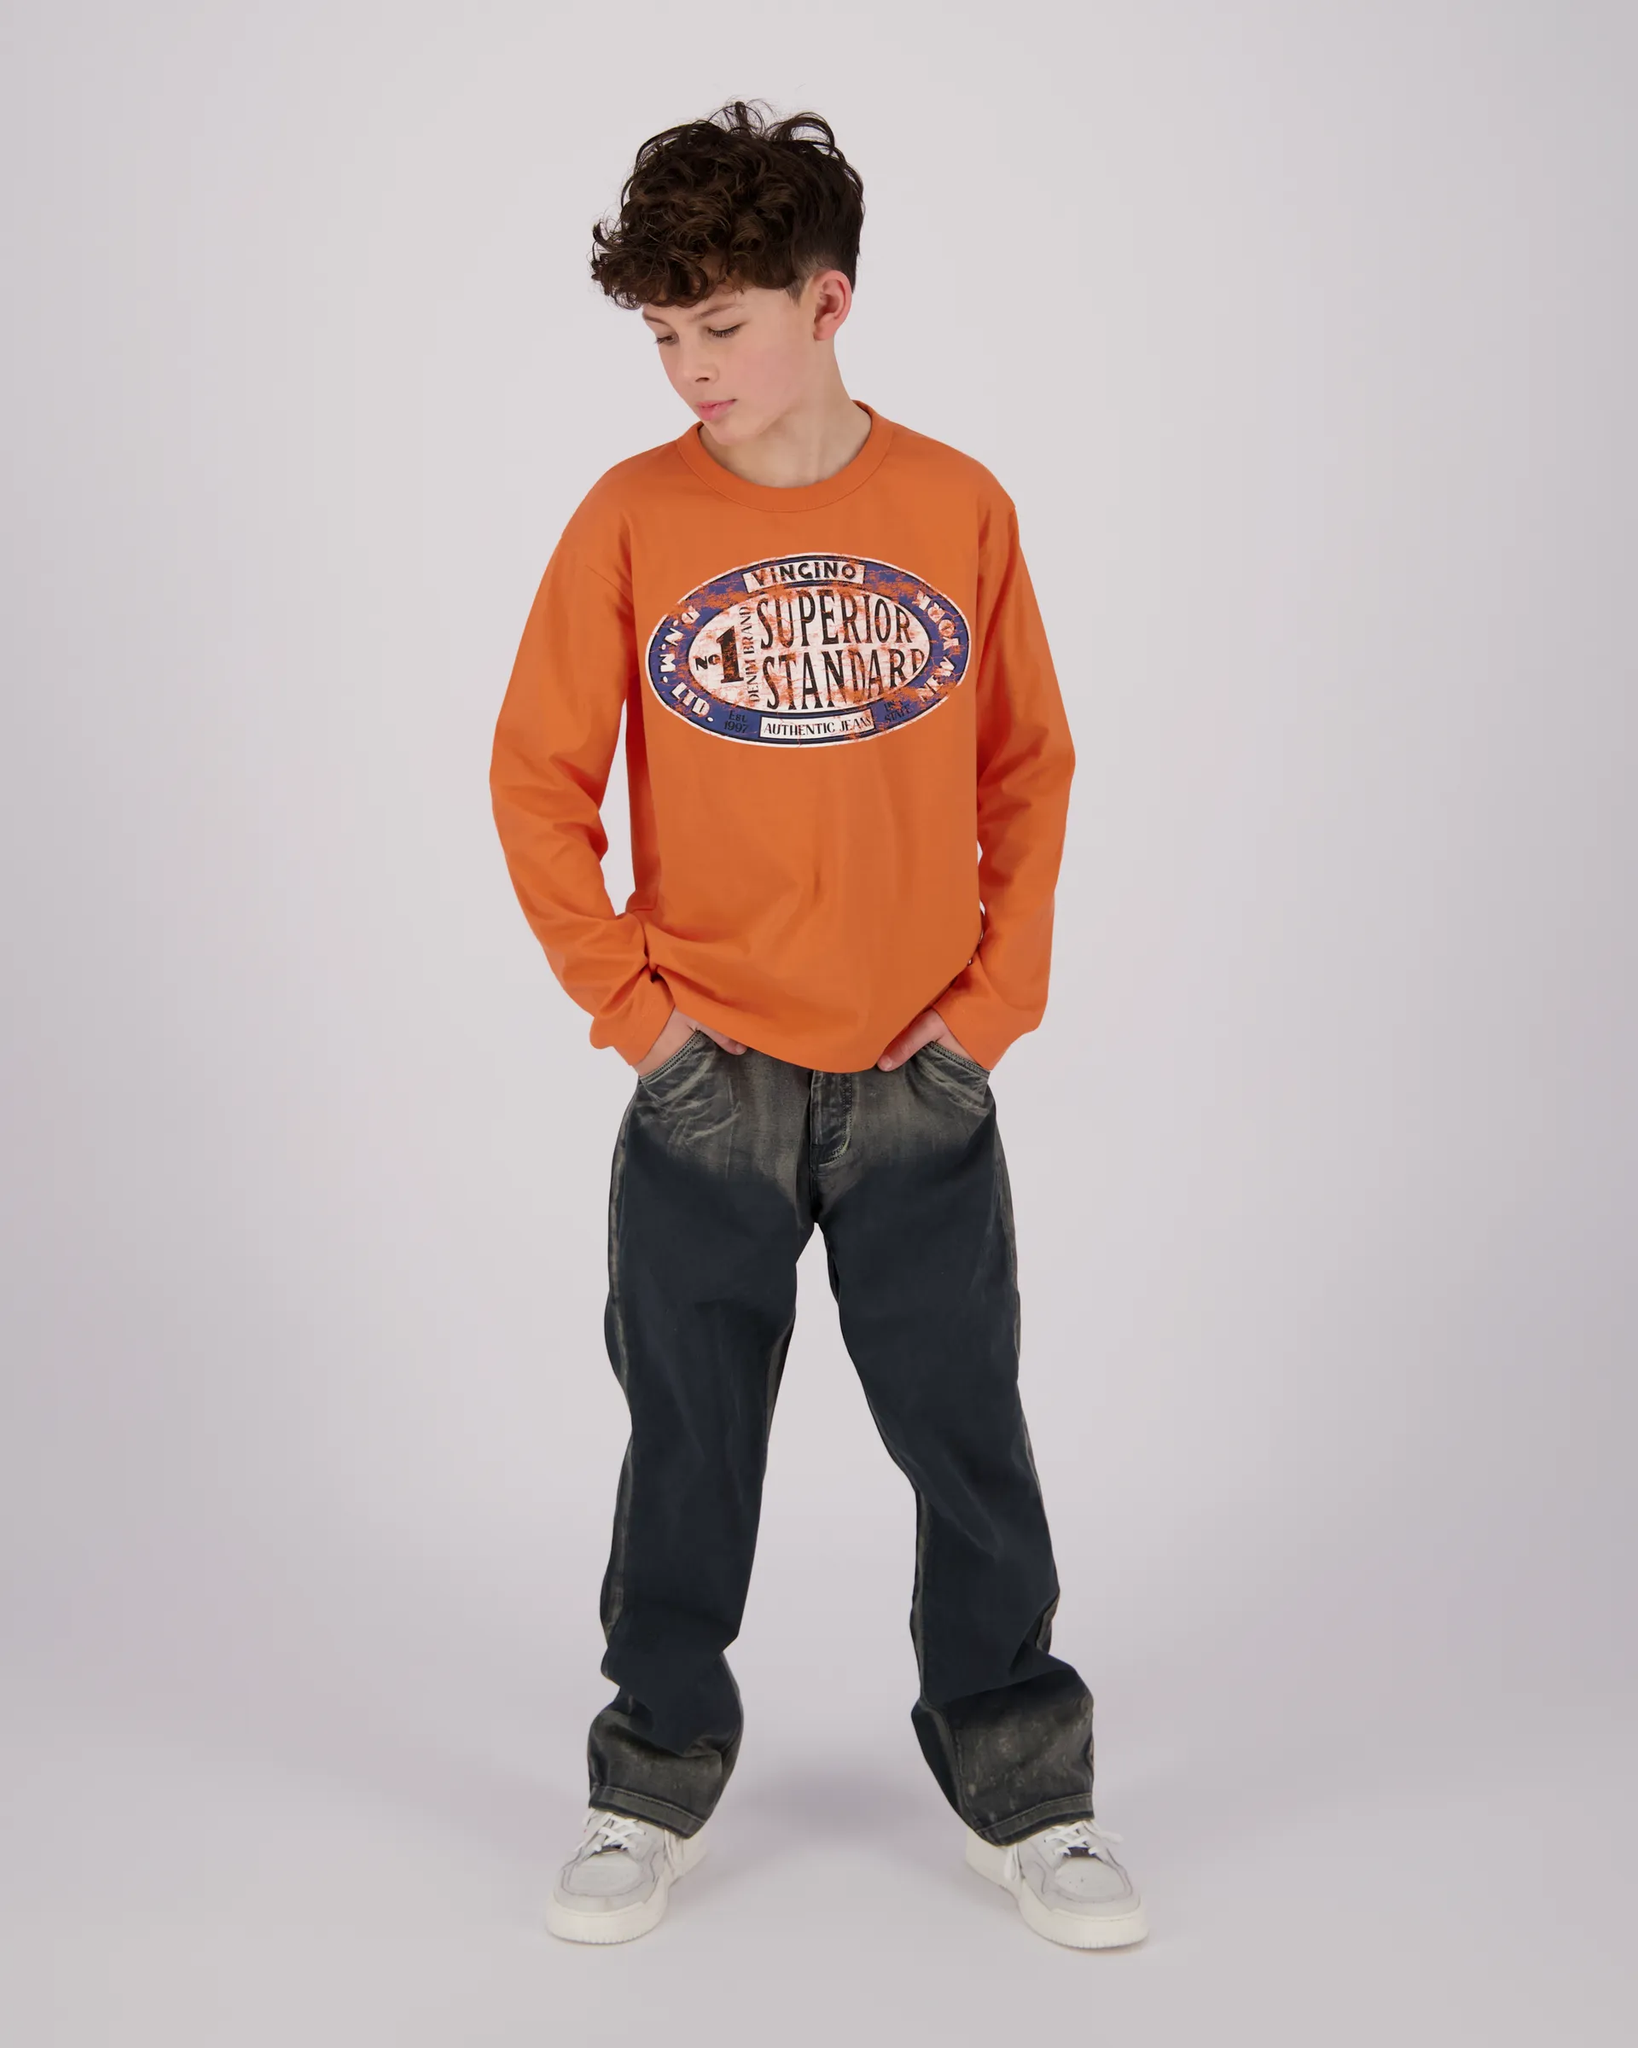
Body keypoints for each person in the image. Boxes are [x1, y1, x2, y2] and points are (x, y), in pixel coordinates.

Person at [488, 98, 1147, 1952]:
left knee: (966, 1438)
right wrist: (637, 1021)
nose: (690, 368)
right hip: (707, 1083)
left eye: (722, 324)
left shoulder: (956, 506)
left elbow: (1028, 767)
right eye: (662, 336)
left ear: (826, 300)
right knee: (686, 1446)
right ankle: (649, 1778)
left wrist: (989, 1011)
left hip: (920, 1076)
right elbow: (536, 780)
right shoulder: (630, 519)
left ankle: (1027, 1789)